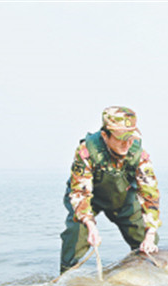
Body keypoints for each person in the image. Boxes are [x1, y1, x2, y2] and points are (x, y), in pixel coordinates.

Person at [60, 106, 161, 274]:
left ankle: (144, 279)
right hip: (89, 199)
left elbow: (150, 195)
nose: (127, 144)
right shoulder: (86, 152)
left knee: (149, 244)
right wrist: (90, 225)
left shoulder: (139, 155)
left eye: (130, 138)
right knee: (76, 236)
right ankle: (64, 281)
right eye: (121, 138)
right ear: (105, 135)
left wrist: (150, 233)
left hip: (123, 199)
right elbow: (80, 193)